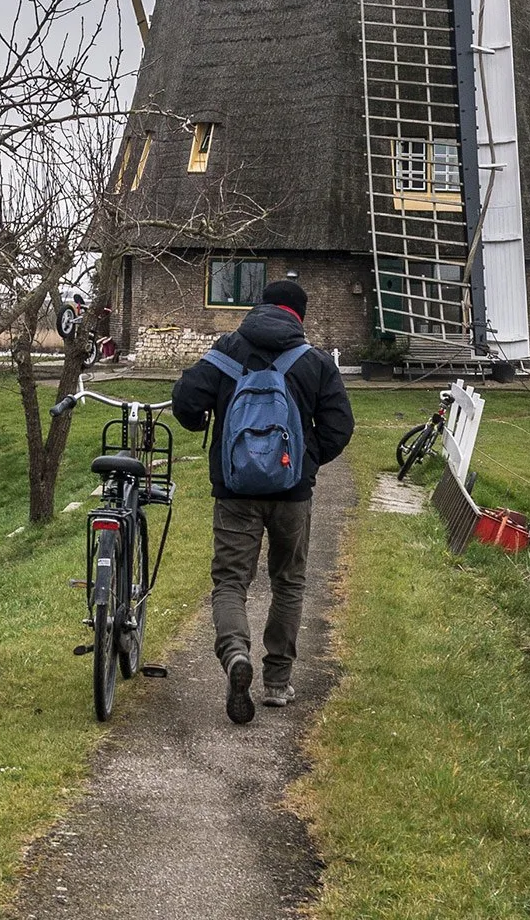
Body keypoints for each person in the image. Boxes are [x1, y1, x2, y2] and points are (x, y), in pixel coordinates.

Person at [171, 277, 354, 724]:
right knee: (288, 582)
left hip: (235, 493)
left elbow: (184, 403)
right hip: (292, 494)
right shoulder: (312, 361)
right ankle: (276, 683)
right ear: (300, 316)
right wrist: (305, 463)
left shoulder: (226, 351)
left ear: (259, 307)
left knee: (231, 582)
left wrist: (205, 426)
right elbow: (339, 427)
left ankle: (236, 656)